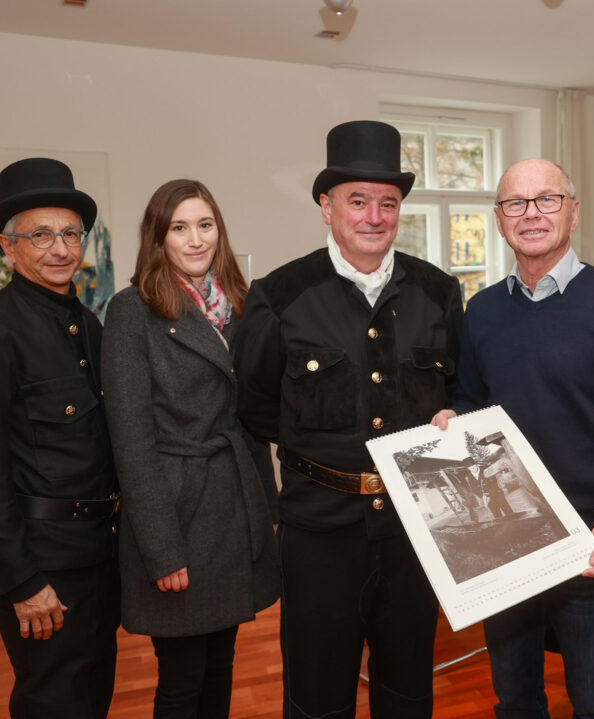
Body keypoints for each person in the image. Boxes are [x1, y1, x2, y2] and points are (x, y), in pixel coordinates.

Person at [233, 120, 464, 719]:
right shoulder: (279, 295)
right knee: (317, 695)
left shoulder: (438, 294)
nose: (374, 216)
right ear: (326, 206)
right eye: (357, 201)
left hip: (414, 531)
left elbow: (457, 392)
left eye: (388, 203)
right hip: (318, 534)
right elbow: (256, 408)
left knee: (409, 690)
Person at [432, 158, 594, 719]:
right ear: (498, 219)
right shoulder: (483, 310)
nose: (532, 213)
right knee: (514, 697)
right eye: (516, 202)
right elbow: (472, 401)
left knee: (593, 702)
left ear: (572, 211)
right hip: (502, 540)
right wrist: (452, 420)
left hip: (585, 538)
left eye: (547, 199)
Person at [0, 157, 120, 719]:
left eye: (71, 233)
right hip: (44, 567)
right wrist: (21, 579)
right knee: (53, 703)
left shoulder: (88, 325)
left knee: (93, 696)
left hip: (98, 554)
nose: (61, 249)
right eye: (41, 235)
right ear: (7, 245)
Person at [100, 179, 281, 718]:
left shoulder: (241, 306)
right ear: (158, 238)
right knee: (182, 679)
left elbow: (249, 420)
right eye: (179, 227)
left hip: (234, 507)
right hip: (176, 513)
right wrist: (162, 549)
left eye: (205, 225)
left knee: (221, 664)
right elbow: (130, 438)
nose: (195, 239)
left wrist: (266, 509)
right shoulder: (133, 310)